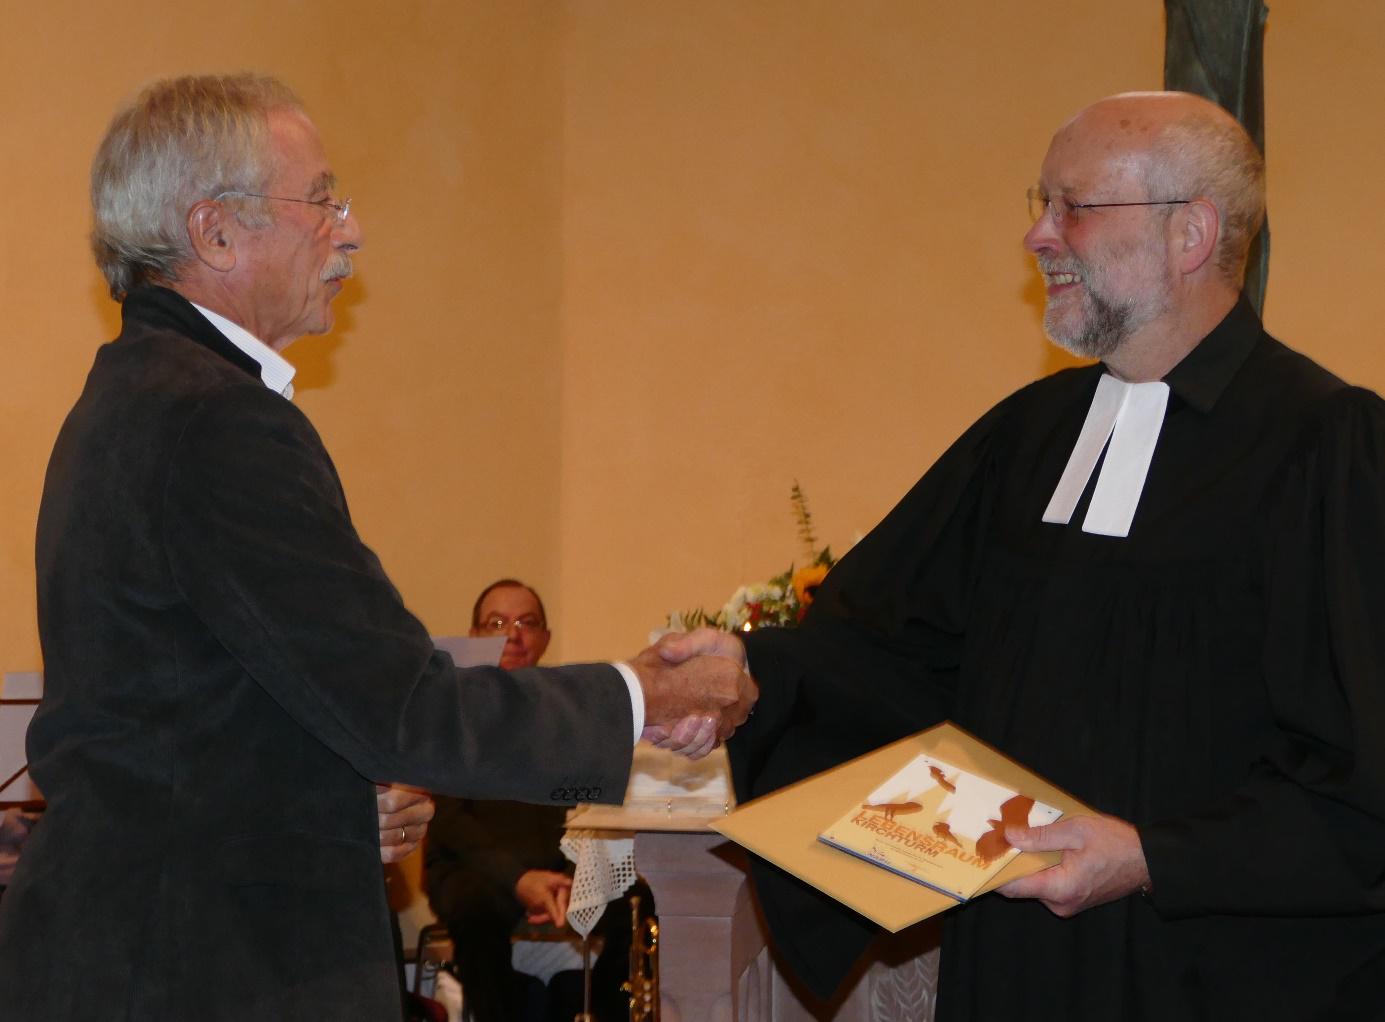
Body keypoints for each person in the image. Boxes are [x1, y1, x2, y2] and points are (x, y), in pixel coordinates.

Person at [0, 74, 753, 1022]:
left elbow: (185, 722)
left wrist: (324, 802)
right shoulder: (215, 420)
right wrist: (646, 693)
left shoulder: (138, 395)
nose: (348, 229)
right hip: (200, 969)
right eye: (319, 199)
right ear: (215, 232)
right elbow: (403, 708)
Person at [662, 91, 1385, 1020]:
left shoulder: (1328, 447)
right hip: (1016, 962)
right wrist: (750, 669)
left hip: (1214, 972)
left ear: (1191, 233)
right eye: (1038, 204)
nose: (1038, 236)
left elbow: (1361, 762)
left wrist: (1153, 858)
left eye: (1071, 206)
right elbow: (893, 652)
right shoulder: (1028, 437)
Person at [426, 579, 653, 1022]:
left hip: (560, 872)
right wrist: (517, 878)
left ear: (545, 639)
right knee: (474, 905)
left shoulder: (567, 715)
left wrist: (573, 877)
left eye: (526, 623)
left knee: (637, 900)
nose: (513, 634)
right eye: (497, 622)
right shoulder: (450, 712)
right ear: (475, 634)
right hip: (473, 870)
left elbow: (588, 807)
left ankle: (590, 1009)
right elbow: (451, 826)